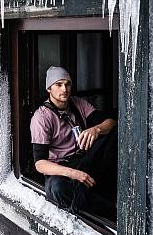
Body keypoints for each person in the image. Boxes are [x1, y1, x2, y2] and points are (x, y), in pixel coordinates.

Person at [31, 66, 118, 219]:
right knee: (56, 189)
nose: (64, 89)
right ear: (49, 88)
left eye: (67, 84)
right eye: (58, 85)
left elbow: (110, 122)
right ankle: (111, 210)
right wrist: (73, 174)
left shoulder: (77, 103)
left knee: (114, 135)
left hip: (84, 156)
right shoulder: (41, 118)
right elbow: (40, 164)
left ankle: (108, 191)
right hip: (62, 167)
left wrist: (96, 129)